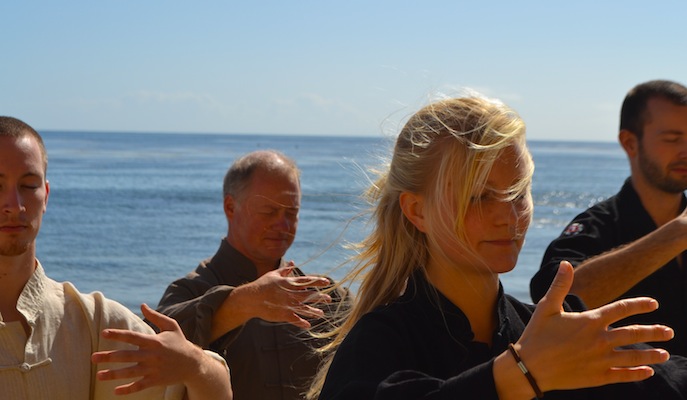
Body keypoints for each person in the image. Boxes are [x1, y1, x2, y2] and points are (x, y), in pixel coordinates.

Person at [307, 95, 687, 400]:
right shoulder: (379, 343)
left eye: (517, 193)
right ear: (417, 211)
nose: (509, 216)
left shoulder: (546, 333)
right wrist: (521, 373)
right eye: (479, 196)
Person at [0, 116, 232, 400]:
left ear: (46, 195)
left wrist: (195, 365)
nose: (14, 205)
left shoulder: (92, 322)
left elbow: (216, 388)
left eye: (28, 185)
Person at [156, 150, 347, 399]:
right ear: (230, 207)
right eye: (269, 212)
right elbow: (152, 347)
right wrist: (243, 302)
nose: (283, 225)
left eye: (291, 213)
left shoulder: (325, 296)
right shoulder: (189, 292)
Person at [530, 79, 687, 356]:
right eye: (672, 139)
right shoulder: (597, 226)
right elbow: (552, 303)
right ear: (630, 142)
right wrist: (677, 234)